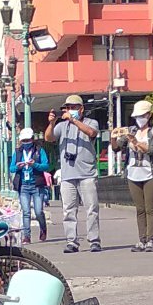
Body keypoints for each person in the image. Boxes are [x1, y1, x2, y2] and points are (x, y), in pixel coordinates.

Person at [49, 94, 102, 253]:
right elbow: (49, 137)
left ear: (81, 109)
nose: (70, 110)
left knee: (91, 208)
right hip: (67, 175)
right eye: (68, 108)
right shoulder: (62, 126)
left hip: (87, 173)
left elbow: (91, 133)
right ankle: (71, 241)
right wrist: (52, 124)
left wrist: (73, 120)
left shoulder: (90, 122)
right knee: (69, 210)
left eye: (73, 107)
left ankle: (94, 240)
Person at [115, 98, 153, 250]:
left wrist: (136, 142)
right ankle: (141, 240)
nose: (138, 119)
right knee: (139, 209)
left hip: (150, 173)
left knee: (150, 208)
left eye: (141, 116)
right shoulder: (131, 130)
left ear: (149, 115)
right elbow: (117, 147)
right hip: (133, 174)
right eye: (136, 117)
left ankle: (150, 240)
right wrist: (114, 135)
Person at [12, 125, 51, 240]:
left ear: (32, 139)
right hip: (23, 186)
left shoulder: (39, 151)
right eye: (23, 141)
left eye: (28, 140)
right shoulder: (17, 152)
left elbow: (46, 166)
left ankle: (43, 228)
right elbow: (11, 168)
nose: (26, 143)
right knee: (26, 212)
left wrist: (35, 165)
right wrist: (18, 167)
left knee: (38, 211)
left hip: (37, 185)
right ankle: (27, 236)